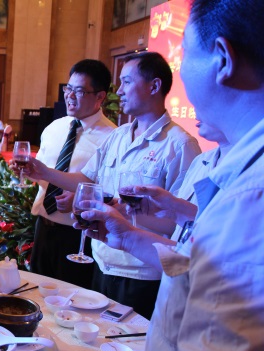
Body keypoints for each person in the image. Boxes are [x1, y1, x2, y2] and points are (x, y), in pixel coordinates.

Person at [79, 2, 264, 351]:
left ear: (222, 59)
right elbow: (193, 269)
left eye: (186, 57)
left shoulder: (250, 198)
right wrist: (128, 236)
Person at [16, 52, 201, 319]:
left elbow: (184, 225)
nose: (120, 91)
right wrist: (43, 171)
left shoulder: (180, 145)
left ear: (154, 86)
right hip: (102, 261)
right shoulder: (120, 136)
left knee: (129, 339)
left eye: (127, 82)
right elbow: (87, 180)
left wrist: (126, 213)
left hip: (141, 271)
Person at [27, 59, 117, 286]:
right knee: (37, 293)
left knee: (72, 298)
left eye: (80, 91)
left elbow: (113, 189)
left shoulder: (112, 138)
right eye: (68, 89)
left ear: (100, 96)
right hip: (43, 227)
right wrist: (28, 172)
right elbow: (43, 174)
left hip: (79, 236)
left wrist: (80, 199)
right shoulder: (54, 128)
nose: (70, 96)